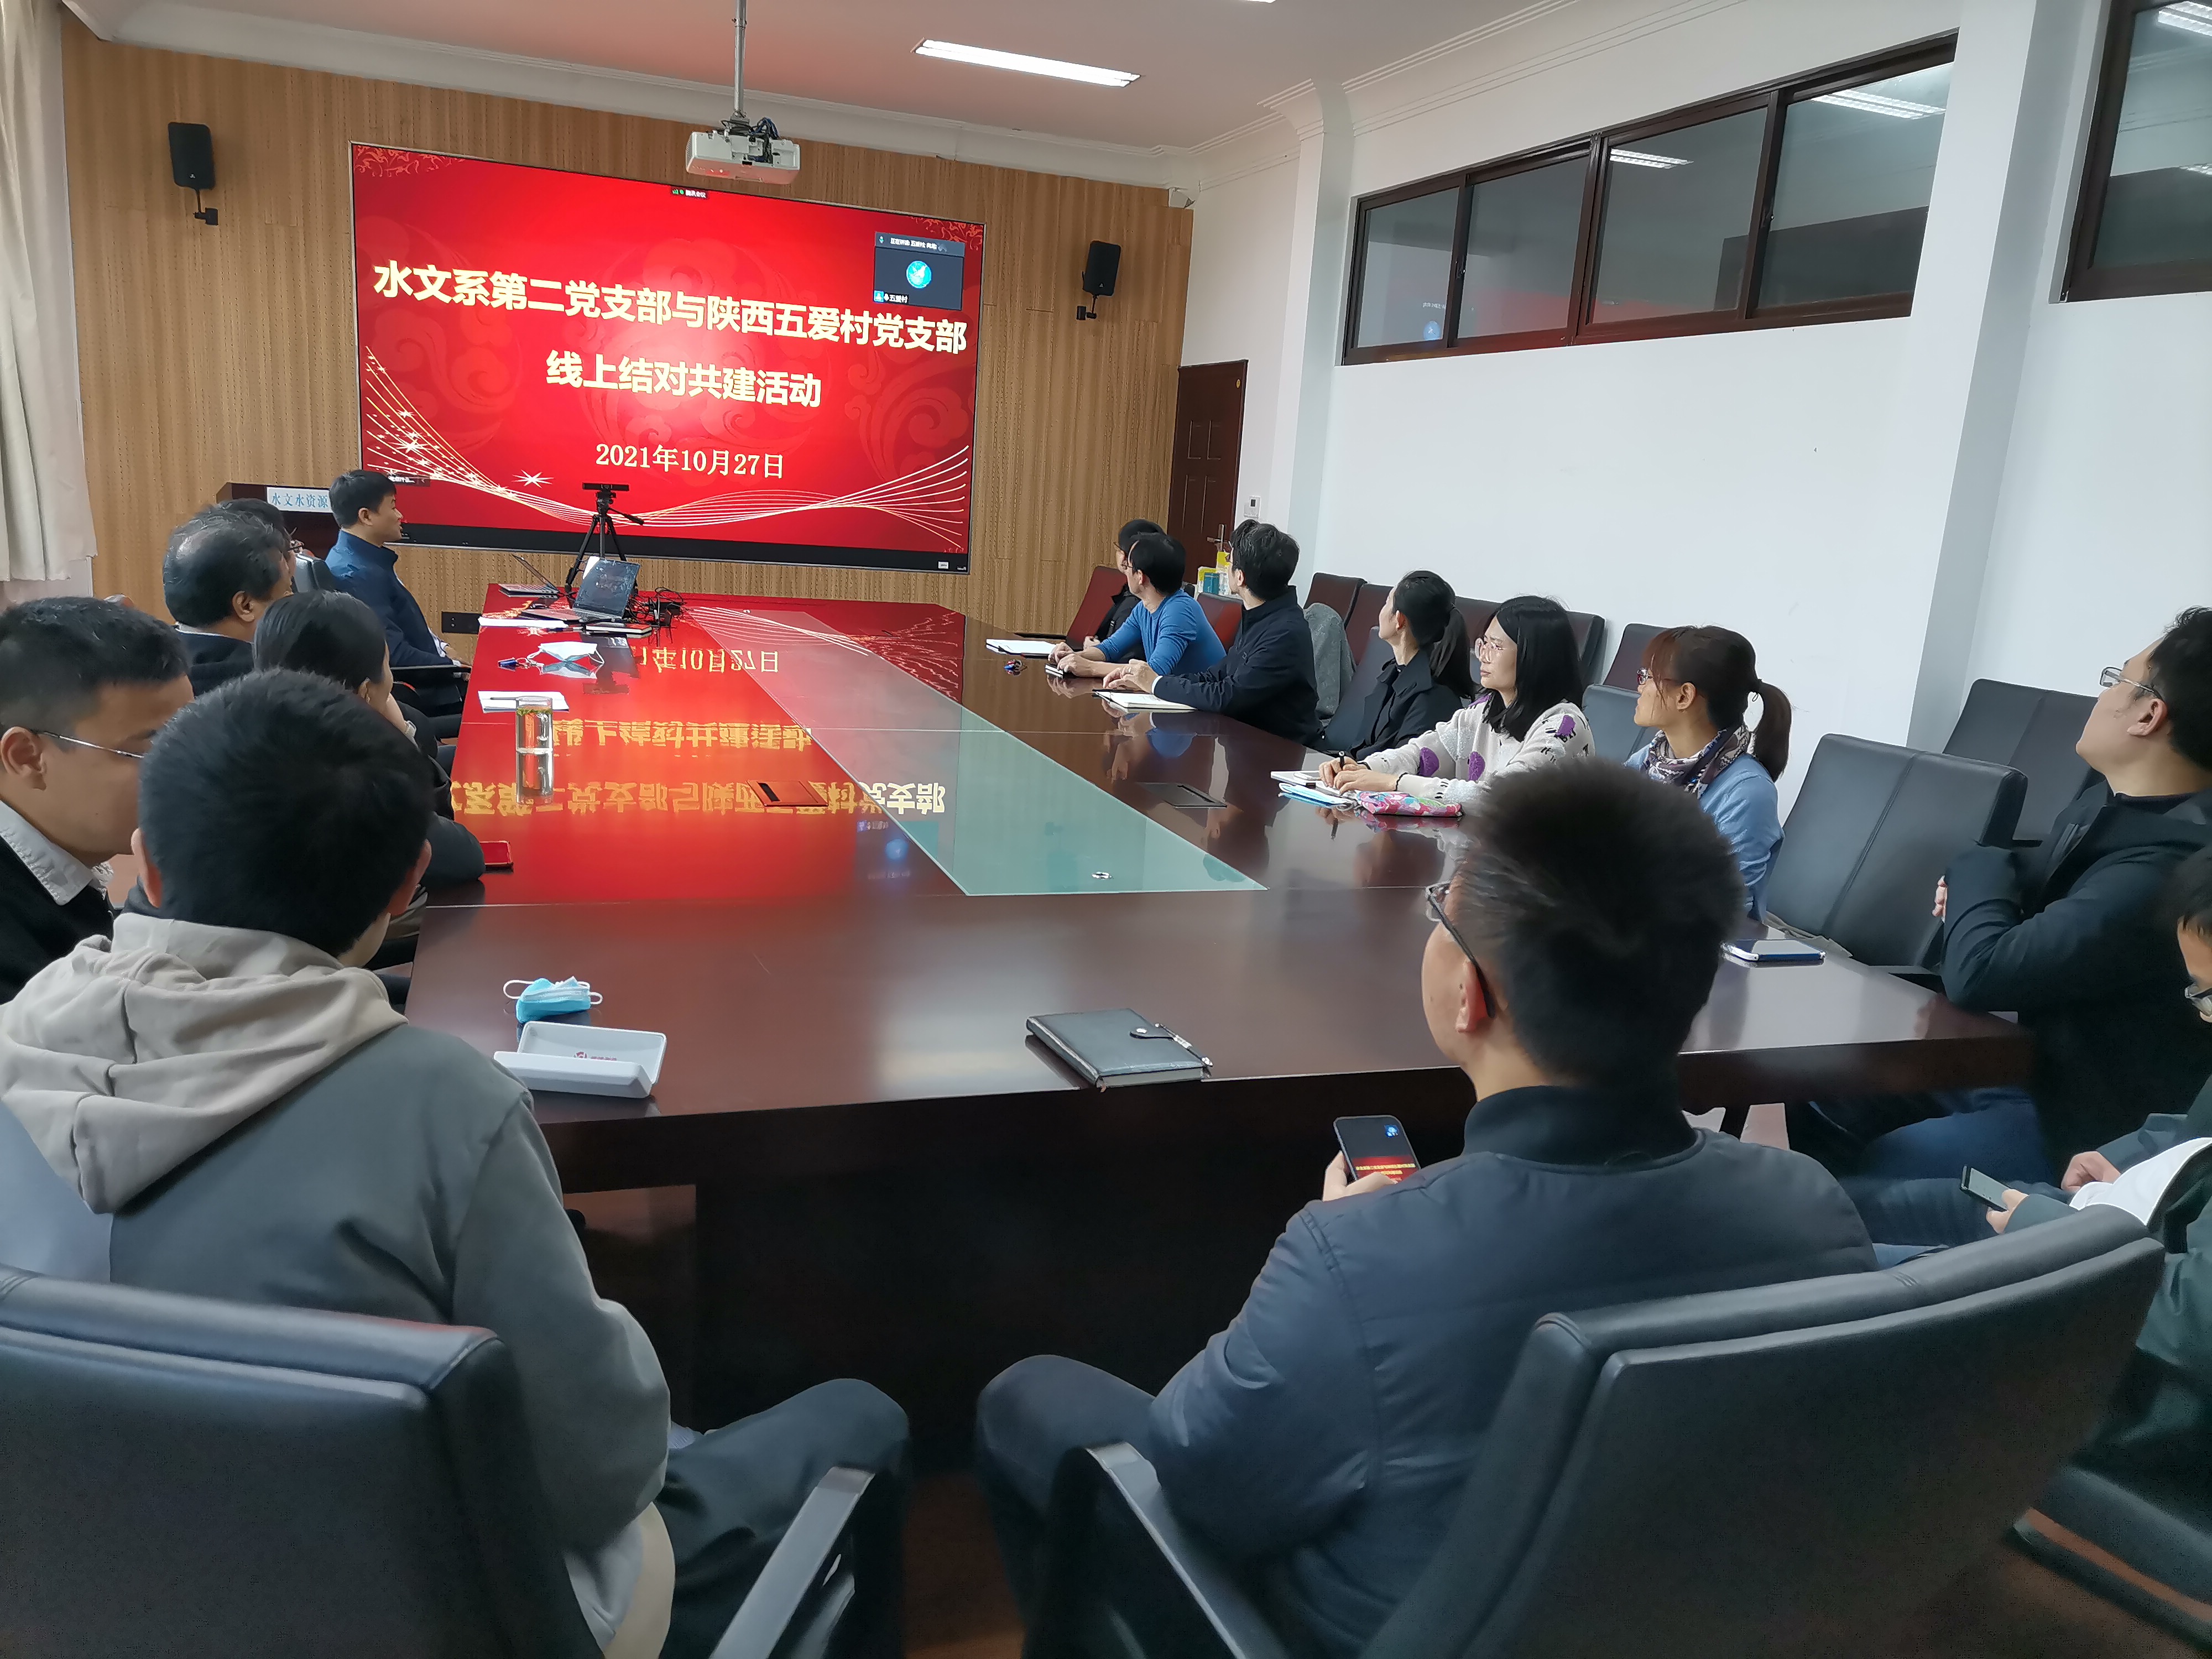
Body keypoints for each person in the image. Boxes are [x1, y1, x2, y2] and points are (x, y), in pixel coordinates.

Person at [0, 672, 909, 1659]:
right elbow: (600, 1471)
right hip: (427, 1611)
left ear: (145, 865)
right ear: (407, 888)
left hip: (87, 1599)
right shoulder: (442, 1104)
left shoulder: (17, 1050)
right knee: (856, 1418)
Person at [973, 759, 1875, 1657]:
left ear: (1469, 994)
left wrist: (1342, 1242)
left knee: (1028, 1397)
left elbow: (1193, 1478)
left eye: (1440, 910)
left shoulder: (1358, 1262)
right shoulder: (1814, 1214)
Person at [1794, 612, 2212, 1182]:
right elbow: (2017, 886)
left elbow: (1983, 969)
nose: (2103, 694)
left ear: (2148, 714)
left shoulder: (2168, 863)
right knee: (1819, 1084)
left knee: (1887, 1171)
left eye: (2117, 679)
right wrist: (1985, 886)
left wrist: (1977, 874)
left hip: (2079, 1118)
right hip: (2016, 1062)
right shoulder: (2110, 804)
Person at [1848, 848, 2212, 1479]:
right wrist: (2128, 1154)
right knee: (1844, 1212)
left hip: (2133, 1360)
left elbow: (2193, 1320)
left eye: (2207, 993)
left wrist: (2047, 1229)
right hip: (2113, 1232)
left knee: (1832, 1288)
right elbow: (2192, 1127)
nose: (2203, 1015)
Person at [0, 598, 191, 1002]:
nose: (192, 769)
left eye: (191, 736)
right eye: (154, 748)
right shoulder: (18, 971)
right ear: (27, 758)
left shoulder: (65, 858)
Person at [254, 590, 484, 891]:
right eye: (387, 664)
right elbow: (464, 855)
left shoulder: (243, 741)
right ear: (363, 692)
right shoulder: (350, 778)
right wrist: (400, 739)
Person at [1322, 595, 1586, 802]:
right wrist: (1364, 768)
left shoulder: (1563, 726)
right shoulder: (1484, 710)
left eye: (1496, 646)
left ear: (1535, 657)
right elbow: (1420, 753)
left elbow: (1499, 797)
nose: (1483, 656)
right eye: (1484, 644)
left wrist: (1395, 783)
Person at [1104, 522, 1318, 744]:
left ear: (1240, 577)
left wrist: (1156, 684)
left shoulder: (1284, 633)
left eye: (1230, 561)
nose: (1227, 565)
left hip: (1281, 750)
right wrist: (1151, 682)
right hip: (1246, 742)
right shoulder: (1261, 616)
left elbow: (1228, 696)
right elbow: (1216, 675)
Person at [1626, 625, 1789, 916]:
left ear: (1684, 696)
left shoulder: (1748, 792)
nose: (1640, 687)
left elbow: (1727, 908)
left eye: (1648, 677)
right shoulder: (1650, 759)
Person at [325, 469, 465, 728]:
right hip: (422, 689)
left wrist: (443, 649)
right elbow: (395, 655)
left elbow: (405, 623)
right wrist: (456, 667)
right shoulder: (356, 574)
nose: (400, 515)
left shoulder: (363, 559)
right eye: (393, 506)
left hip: (431, 675)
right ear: (366, 516)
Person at [1318, 571, 1475, 756]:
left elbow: (1402, 765)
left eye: (1387, 602)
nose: (1382, 610)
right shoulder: (1395, 672)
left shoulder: (1432, 699)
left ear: (1399, 620)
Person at [1050, 533, 1224, 681]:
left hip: (1203, 705)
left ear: (1140, 577)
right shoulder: (1145, 608)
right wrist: (1074, 656)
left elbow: (1154, 672)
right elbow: (1110, 649)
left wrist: (1090, 668)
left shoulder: (1180, 610)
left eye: (1128, 566)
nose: (1125, 571)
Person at [161, 503, 295, 694]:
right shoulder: (275, 688)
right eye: (287, 593)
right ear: (246, 606)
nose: (293, 601)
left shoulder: (144, 668)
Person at [1088, 518, 1164, 648]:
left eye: (1119, 549)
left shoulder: (1137, 603)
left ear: (1126, 559)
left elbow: (1124, 656)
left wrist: (1092, 652)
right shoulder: (1142, 601)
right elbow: (1111, 648)